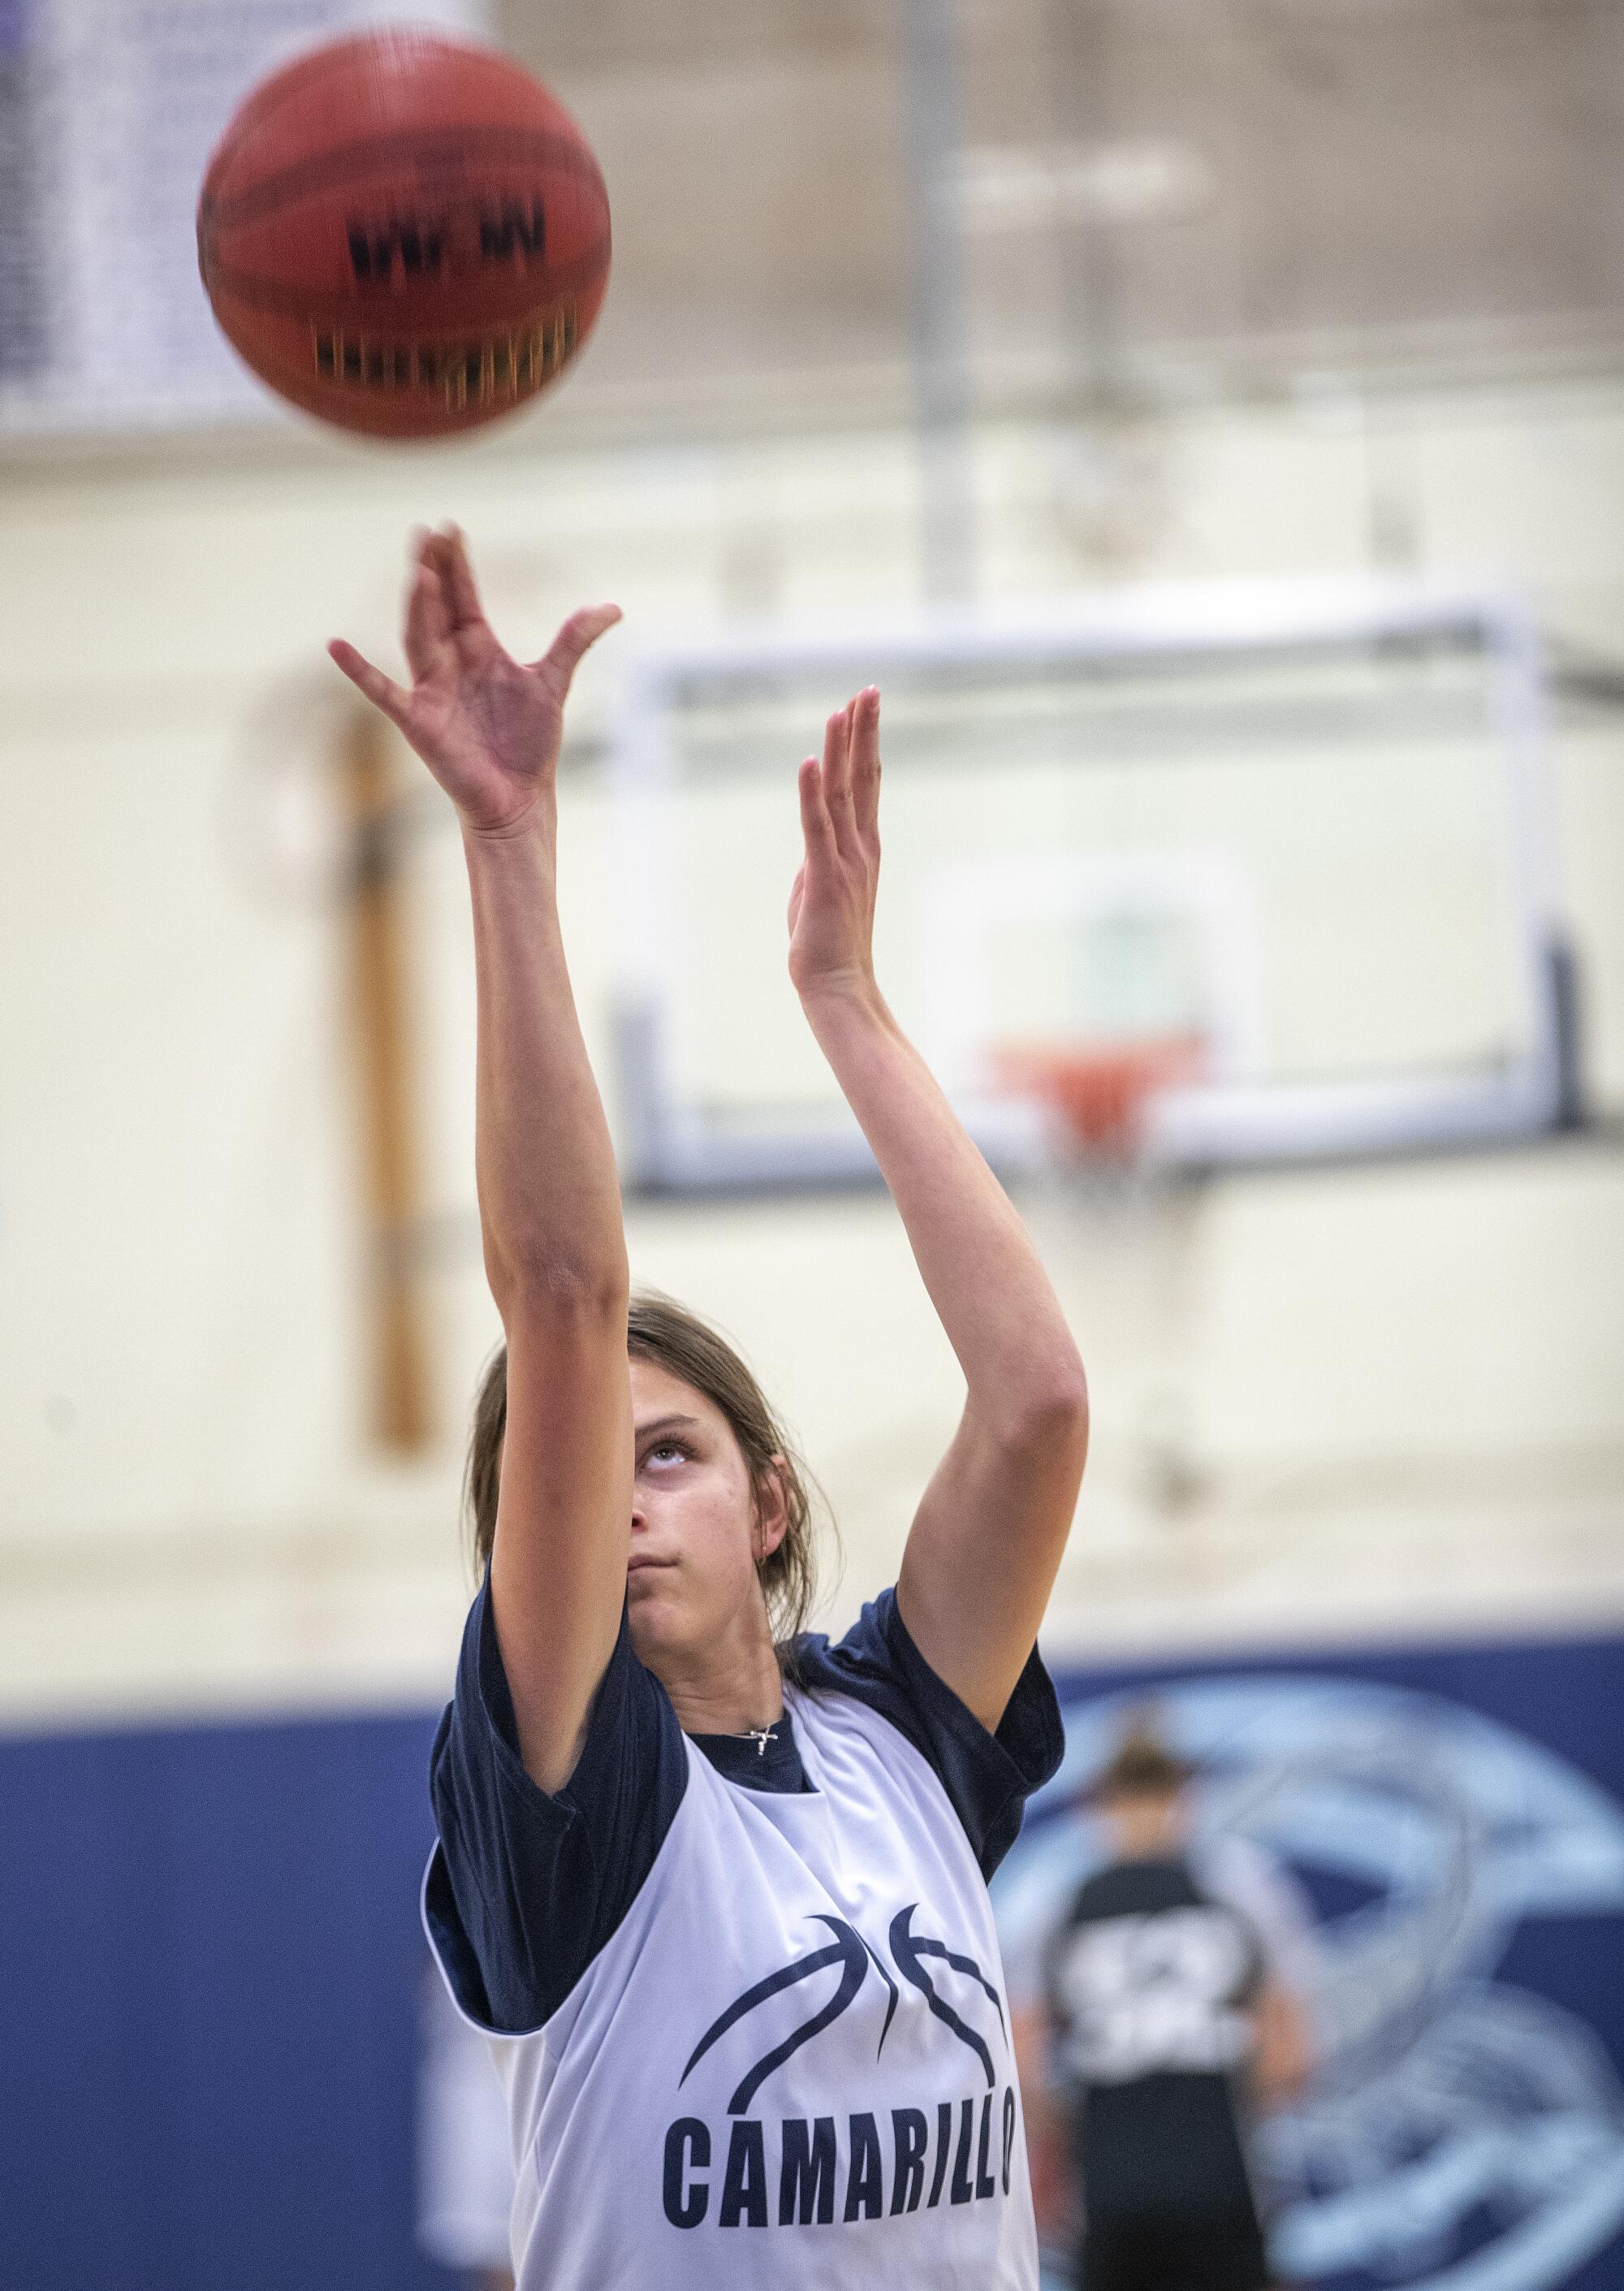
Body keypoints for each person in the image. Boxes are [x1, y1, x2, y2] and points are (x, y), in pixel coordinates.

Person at [329, 526, 1090, 2287]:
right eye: (579, 1474)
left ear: (768, 1499)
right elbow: (567, 1296)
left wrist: (846, 1001)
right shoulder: (573, 1798)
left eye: (668, 1457)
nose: (616, 1502)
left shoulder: (901, 1736)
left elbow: (1038, 1400)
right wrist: (509, 848)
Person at [1017, 1717, 1315, 2291]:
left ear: (1098, 1803)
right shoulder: (1238, 1887)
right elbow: (1291, 2056)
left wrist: (1083, 2125)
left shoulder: (1060, 1902)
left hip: (1112, 2191)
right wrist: (1207, 2101)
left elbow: (1020, 2060)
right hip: (1221, 2184)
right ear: (1184, 1794)